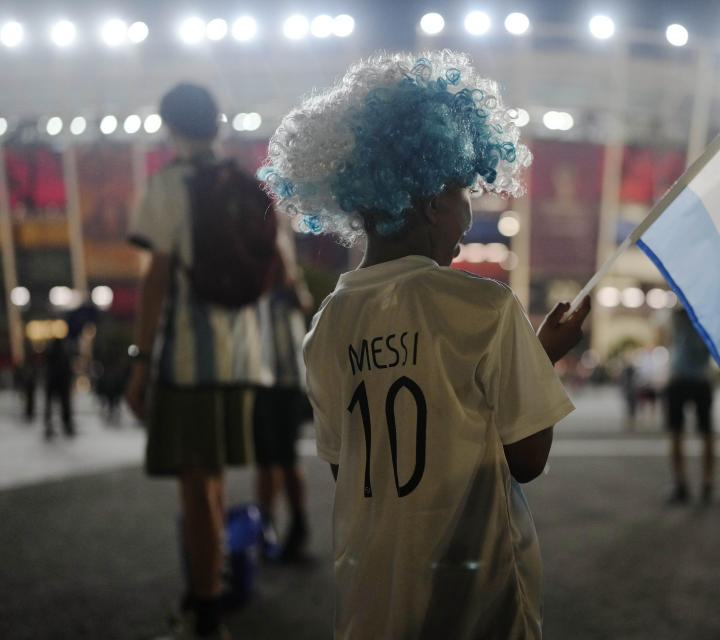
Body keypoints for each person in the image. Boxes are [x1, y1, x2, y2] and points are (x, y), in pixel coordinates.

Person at [260, 50, 591, 638]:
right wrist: (543, 356)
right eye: (466, 193)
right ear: (435, 200)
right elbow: (527, 459)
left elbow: (350, 466)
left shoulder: (327, 328)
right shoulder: (484, 306)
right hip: (475, 588)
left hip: (374, 594)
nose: (469, 215)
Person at [125, 83, 270, 639]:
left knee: (196, 483)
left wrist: (139, 362)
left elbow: (157, 279)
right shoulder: (244, 184)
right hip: (242, 357)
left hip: (190, 360)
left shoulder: (169, 185)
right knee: (212, 480)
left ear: (170, 126)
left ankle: (207, 614)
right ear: (216, 123)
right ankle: (206, 590)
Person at [254, 224, 313, 563]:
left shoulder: (290, 286)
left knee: (286, 458)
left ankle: (297, 524)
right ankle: (265, 525)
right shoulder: (256, 284)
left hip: (287, 382)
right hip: (263, 380)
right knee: (267, 460)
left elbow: (302, 302)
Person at [663, 307, 715, 505]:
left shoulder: (676, 315)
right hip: (699, 378)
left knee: (680, 432)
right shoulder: (706, 313)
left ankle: (684, 484)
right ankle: (702, 483)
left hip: (682, 377)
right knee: (703, 432)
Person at [43, 337, 74, 439]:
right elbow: (68, 369)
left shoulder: (51, 354)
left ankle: (51, 424)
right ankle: (66, 424)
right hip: (60, 383)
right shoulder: (64, 354)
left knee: (51, 405)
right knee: (64, 405)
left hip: (53, 382)